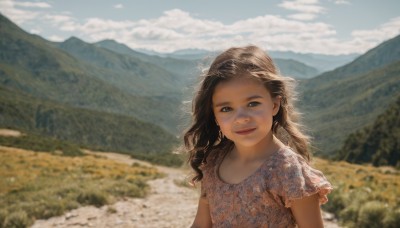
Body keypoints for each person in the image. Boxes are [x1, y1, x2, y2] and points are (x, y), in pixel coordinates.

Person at [184, 45, 333, 227]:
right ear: (214, 116)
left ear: (274, 105)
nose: (241, 118)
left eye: (253, 104)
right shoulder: (213, 161)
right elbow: (201, 224)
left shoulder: (289, 172)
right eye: (226, 109)